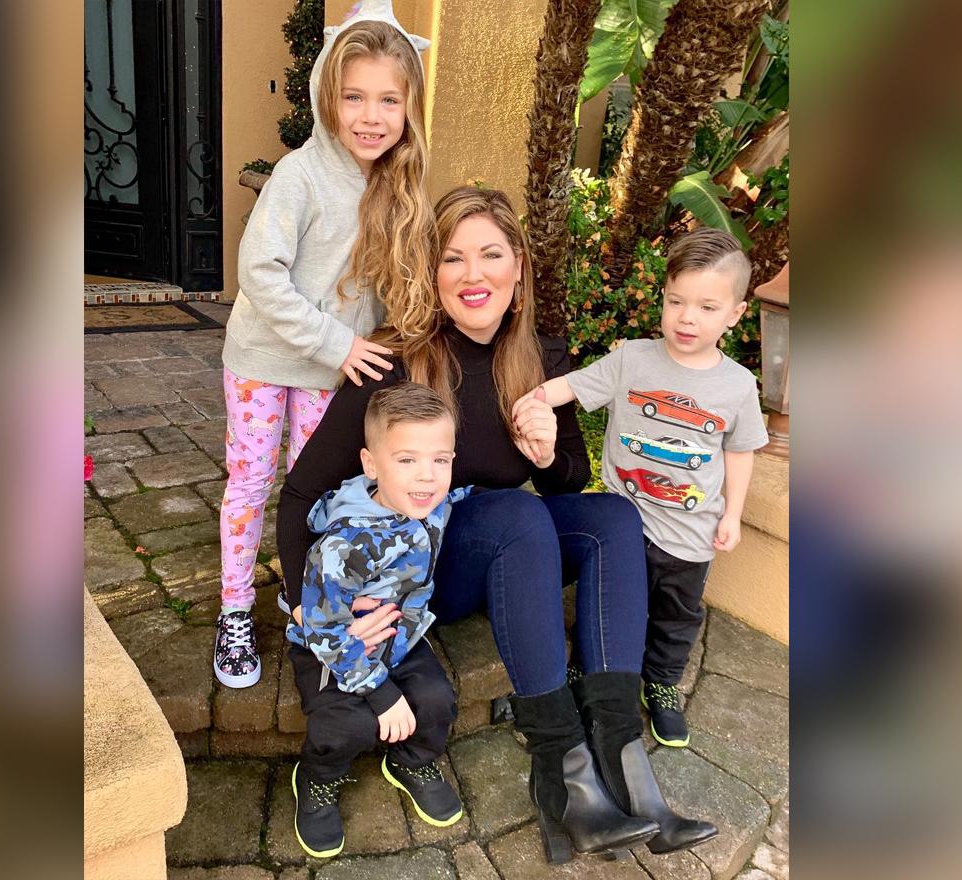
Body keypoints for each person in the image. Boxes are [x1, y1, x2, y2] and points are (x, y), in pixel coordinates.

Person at [278, 186, 716, 863]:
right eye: (454, 258)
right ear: (433, 272)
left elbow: (567, 480)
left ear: (519, 268)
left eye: (490, 255)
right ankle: (560, 771)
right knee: (514, 512)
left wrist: (546, 451)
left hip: (506, 556)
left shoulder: (541, 357)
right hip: (415, 578)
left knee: (611, 517)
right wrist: (326, 602)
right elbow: (300, 492)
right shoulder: (394, 361)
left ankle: (626, 766)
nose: (473, 275)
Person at [214, 1, 433, 688]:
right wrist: (336, 343)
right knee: (251, 483)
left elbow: (388, 290)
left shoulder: (396, 187)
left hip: (328, 368)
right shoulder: (299, 176)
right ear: (325, 98)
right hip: (263, 361)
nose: (371, 115)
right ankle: (235, 609)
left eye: (388, 99)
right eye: (354, 97)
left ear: (408, 106)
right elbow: (259, 272)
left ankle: (307, 591)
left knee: (316, 489)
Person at [515, 227, 768, 749]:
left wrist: (732, 514)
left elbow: (738, 451)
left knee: (676, 616)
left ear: (735, 315)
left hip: (691, 534)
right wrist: (534, 397)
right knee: (606, 605)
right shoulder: (633, 358)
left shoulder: (738, 386)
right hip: (623, 523)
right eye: (676, 301)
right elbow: (576, 385)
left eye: (705, 306)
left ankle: (663, 684)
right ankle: (595, 676)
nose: (687, 317)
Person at [288, 382, 467, 858]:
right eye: (406, 460)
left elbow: (463, 490)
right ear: (371, 465)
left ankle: (411, 761)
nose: (427, 477)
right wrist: (382, 694)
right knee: (344, 727)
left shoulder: (431, 501)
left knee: (436, 701)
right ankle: (317, 778)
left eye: (441, 460)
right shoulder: (343, 545)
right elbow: (323, 628)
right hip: (332, 644)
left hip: (399, 636)